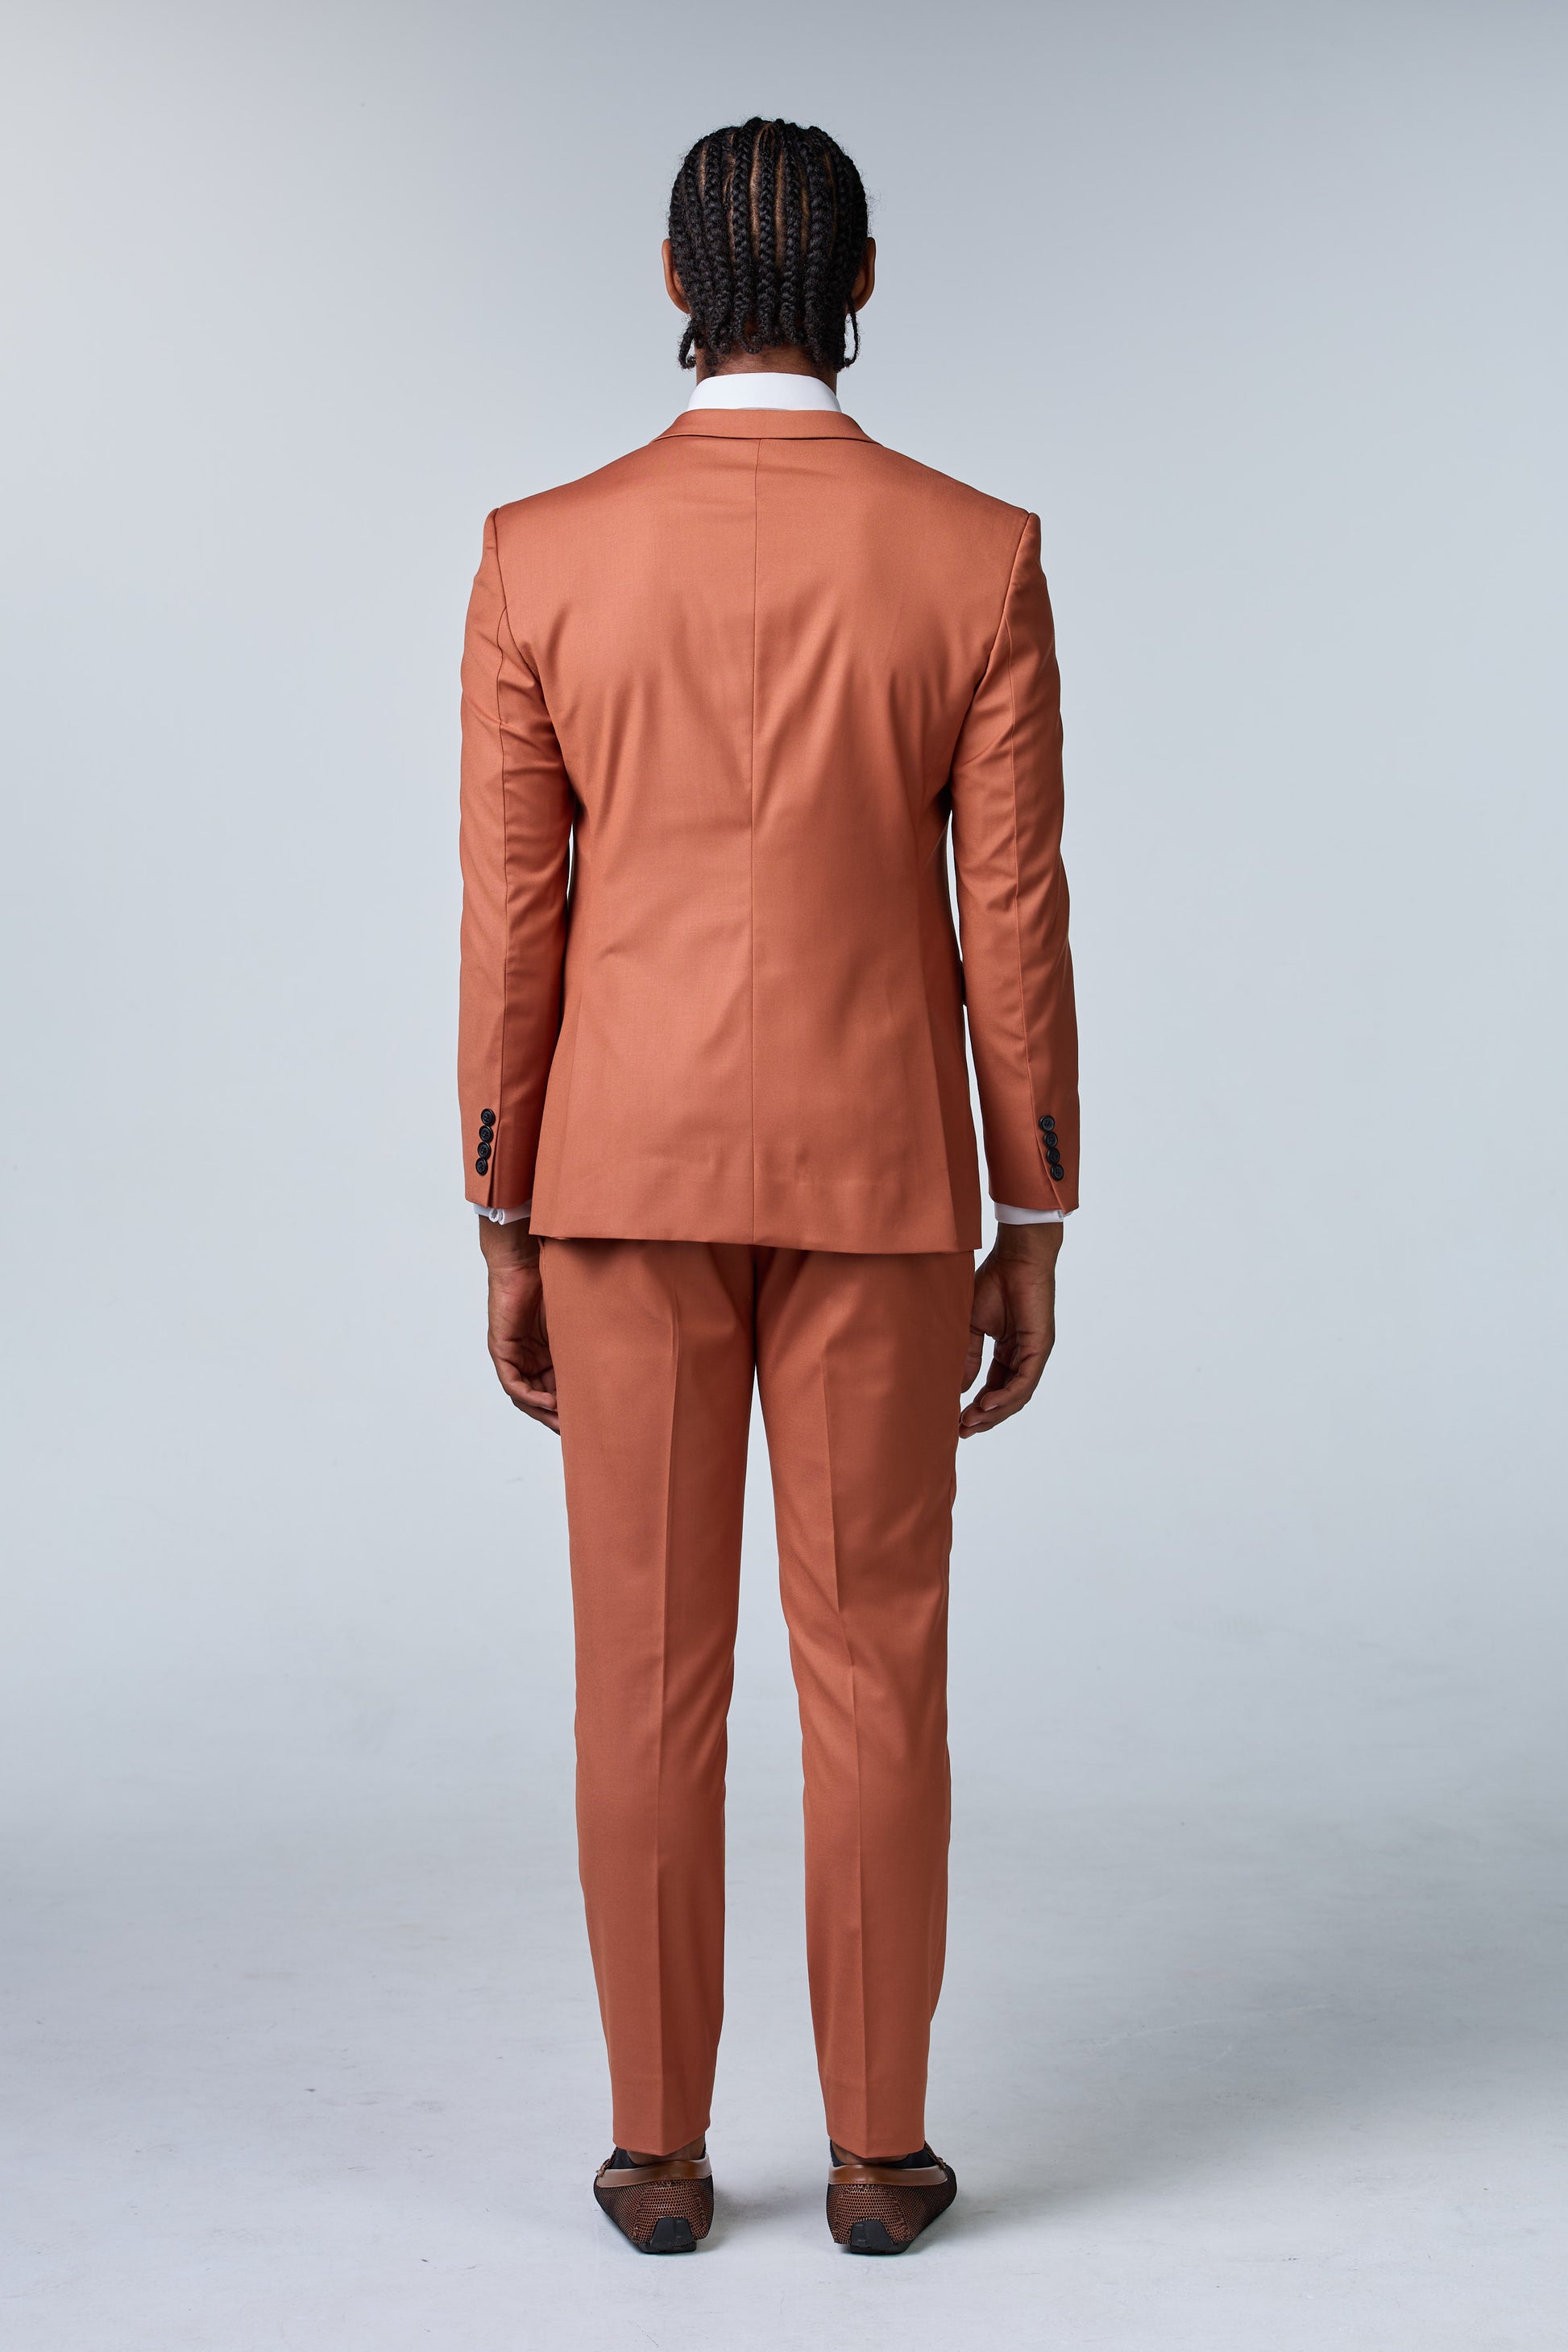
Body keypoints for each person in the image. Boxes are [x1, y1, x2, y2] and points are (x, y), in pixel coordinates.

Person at [458, 116, 1077, 2256]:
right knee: (876, 1667)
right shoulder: (976, 553)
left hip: (615, 1176)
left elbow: (514, 923)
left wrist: (498, 1205)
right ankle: (881, 2156)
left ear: (670, 283)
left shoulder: (539, 553)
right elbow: (1012, 917)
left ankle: (654, 2152)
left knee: (642, 1674)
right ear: (864, 283)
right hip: (884, 1181)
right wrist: (1035, 1211)